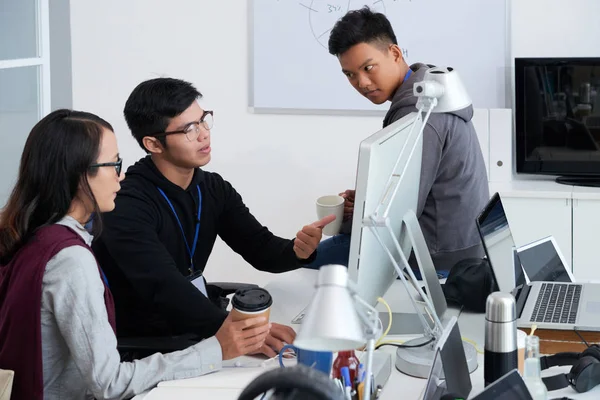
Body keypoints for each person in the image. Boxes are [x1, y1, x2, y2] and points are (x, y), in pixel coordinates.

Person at [0, 110, 270, 400]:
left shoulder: (31, 233)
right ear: (79, 175)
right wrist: (215, 349)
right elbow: (109, 384)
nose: (122, 175)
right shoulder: (69, 260)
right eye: (113, 164)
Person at [92, 78, 334, 358]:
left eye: (204, 120)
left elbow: (262, 250)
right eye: (189, 129)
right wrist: (237, 330)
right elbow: (164, 287)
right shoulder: (127, 204)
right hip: (150, 346)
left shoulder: (213, 188)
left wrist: (297, 250)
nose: (204, 134)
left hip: (195, 328)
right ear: (153, 144)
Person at [306, 7, 489, 272]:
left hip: (438, 256)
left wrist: (350, 217)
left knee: (307, 263)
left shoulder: (418, 111)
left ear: (394, 53)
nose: (362, 82)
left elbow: (395, 217)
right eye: (350, 74)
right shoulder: (428, 84)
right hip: (461, 243)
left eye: (368, 68)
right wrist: (368, 200)